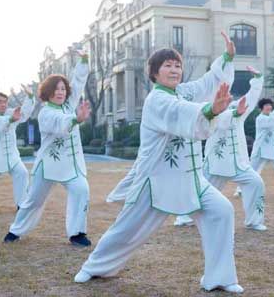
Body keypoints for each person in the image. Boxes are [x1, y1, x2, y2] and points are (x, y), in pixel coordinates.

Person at [75, 36, 244, 294]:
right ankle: (94, 266)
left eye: (177, 65)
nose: (174, 69)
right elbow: (180, 114)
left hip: (192, 178)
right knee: (128, 228)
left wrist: (227, 58)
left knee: (222, 211)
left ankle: (219, 278)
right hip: (157, 179)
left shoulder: (182, 91)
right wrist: (210, 110)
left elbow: (207, 83)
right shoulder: (157, 100)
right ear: (154, 73)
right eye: (167, 65)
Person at [3, 52, 92, 247]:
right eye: (56, 89)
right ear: (48, 92)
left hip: (72, 165)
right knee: (33, 201)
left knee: (81, 189)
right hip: (49, 166)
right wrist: (76, 119)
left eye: (62, 89)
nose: (60, 92)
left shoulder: (68, 105)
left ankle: (77, 233)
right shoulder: (45, 113)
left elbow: (78, 82)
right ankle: (15, 231)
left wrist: (84, 61)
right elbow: (59, 123)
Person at [202, 66, 266, 230]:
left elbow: (250, 98)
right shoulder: (207, 107)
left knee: (256, 182)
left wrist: (257, 79)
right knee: (201, 192)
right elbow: (219, 122)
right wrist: (235, 114)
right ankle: (184, 218)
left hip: (238, 162)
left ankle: (254, 221)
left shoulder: (237, 106)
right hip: (217, 162)